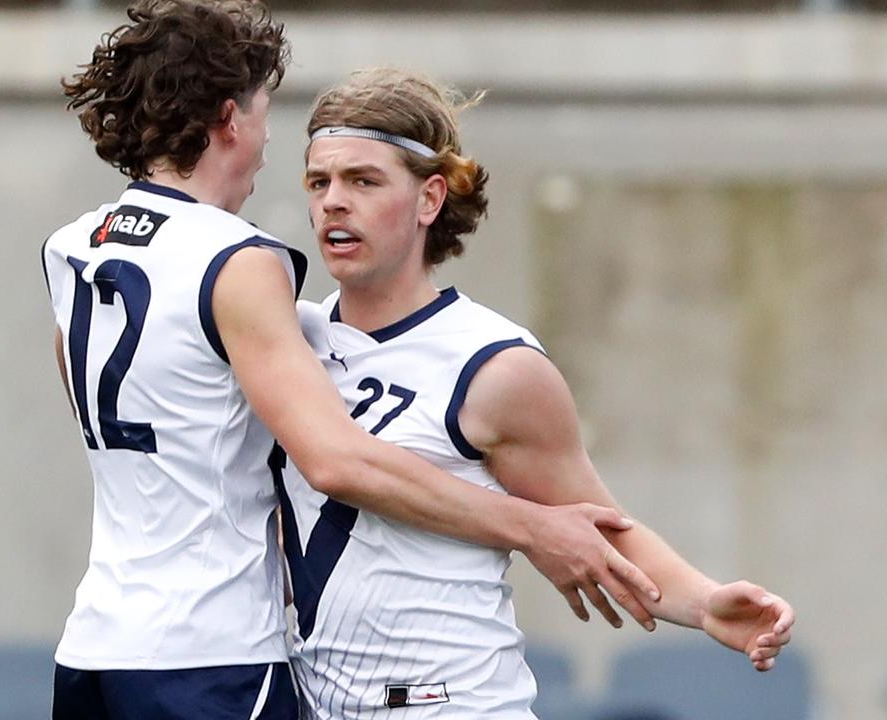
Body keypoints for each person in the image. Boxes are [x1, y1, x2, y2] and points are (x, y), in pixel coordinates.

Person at [42, 3, 662, 719]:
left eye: (361, 182)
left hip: (94, 648)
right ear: (229, 119)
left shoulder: (75, 247)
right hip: (207, 653)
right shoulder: (236, 260)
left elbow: (103, 390)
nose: (269, 146)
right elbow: (334, 462)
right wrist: (530, 527)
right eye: (265, 116)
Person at [278, 68, 796, 718]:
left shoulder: (494, 364)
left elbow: (593, 525)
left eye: (363, 180)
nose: (332, 202)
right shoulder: (285, 341)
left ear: (429, 198)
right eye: (318, 181)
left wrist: (701, 602)